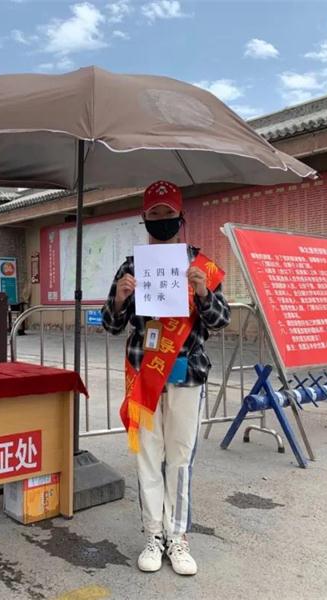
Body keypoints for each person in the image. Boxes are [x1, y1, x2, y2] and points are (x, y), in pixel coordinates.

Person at [101, 180, 230, 576]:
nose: (161, 220)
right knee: (147, 455)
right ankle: (153, 534)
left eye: (168, 213)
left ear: (180, 217)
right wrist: (120, 298)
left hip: (188, 373)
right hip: (145, 374)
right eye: (154, 214)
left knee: (180, 455)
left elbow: (220, 320)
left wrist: (203, 293)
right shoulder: (131, 267)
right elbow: (111, 324)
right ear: (144, 218)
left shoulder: (201, 266)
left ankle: (178, 536)